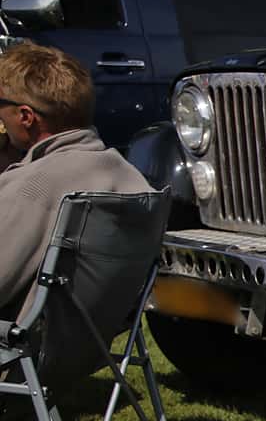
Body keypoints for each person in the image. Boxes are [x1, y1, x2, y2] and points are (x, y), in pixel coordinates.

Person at [0, 43, 154, 321]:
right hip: (91, 345)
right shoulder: (131, 178)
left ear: (25, 116)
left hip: (22, 352)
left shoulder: (33, 186)